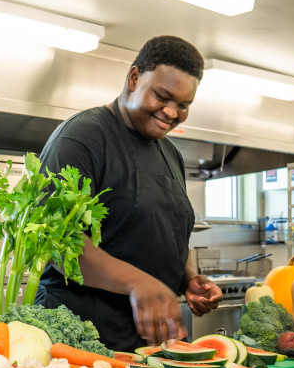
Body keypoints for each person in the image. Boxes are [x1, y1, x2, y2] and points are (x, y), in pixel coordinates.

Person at [34, 35, 224, 351]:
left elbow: (161, 234)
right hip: (81, 339)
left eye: (183, 105)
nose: (172, 112)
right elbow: (58, 243)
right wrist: (137, 283)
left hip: (150, 342)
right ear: (134, 78)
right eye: (163, 96)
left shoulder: (171, 153)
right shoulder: (81, 139)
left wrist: (186, 277)